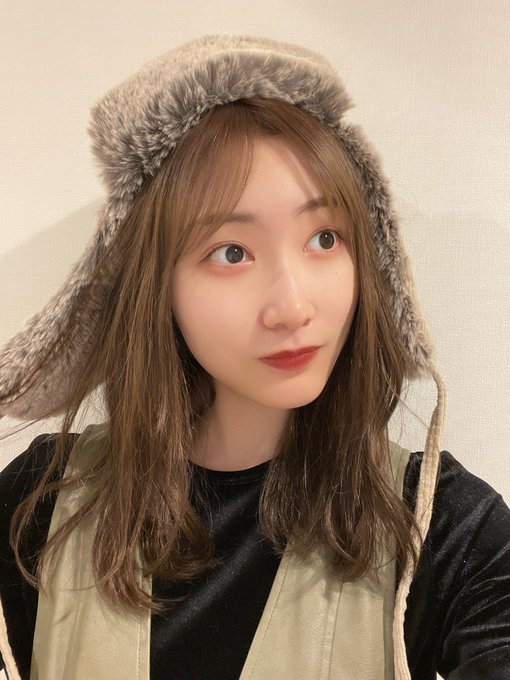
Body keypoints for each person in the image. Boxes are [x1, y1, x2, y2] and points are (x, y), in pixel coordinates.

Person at [0, 35, 509, 680]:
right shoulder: (44, 502)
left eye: (324, 238)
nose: (292, 306)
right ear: (158, 284)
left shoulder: (436, 524)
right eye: (232, 252)